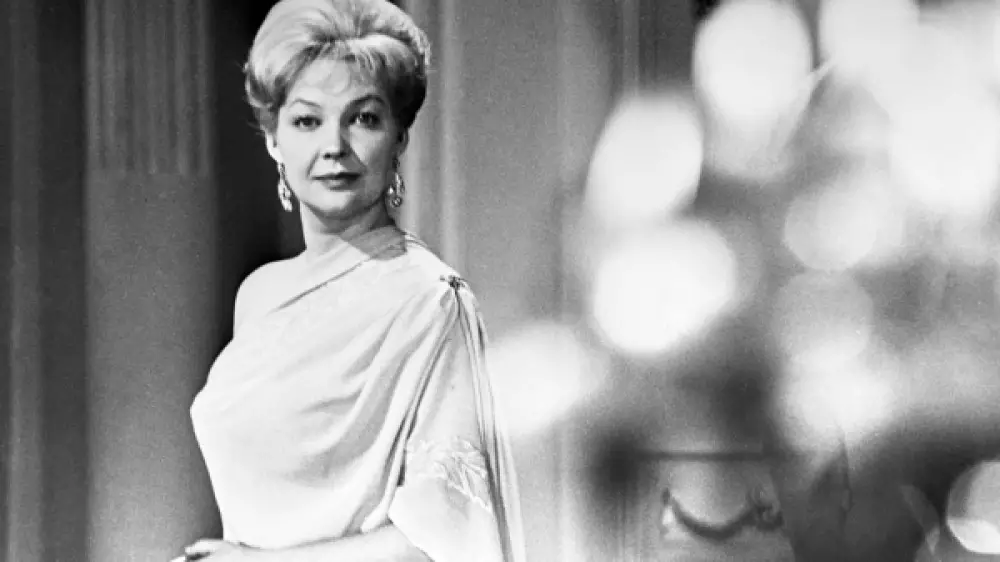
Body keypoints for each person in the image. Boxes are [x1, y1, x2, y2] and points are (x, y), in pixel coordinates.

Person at [180, 1, 524, 560]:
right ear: (273, 139)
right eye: (307, 121)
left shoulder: (432, 302)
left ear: (400, 137)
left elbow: (442, 540)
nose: (334, 147)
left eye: (363, 118)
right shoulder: (259, 295)